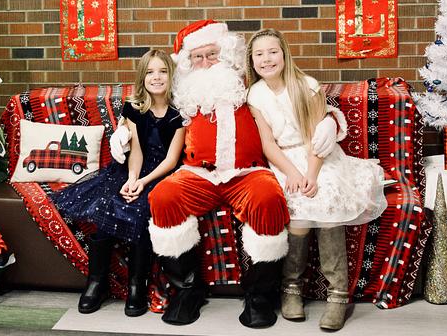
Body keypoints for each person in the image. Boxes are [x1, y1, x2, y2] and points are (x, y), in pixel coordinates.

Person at [110, 20, 342, 328]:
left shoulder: (247, 84)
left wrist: (330, 120)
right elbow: (148, 105)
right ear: (188, 62)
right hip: (197, 173)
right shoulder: (182, 91)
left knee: (268, 199)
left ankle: (259, 296)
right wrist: (122, 130)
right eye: (198, 57)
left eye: (213, 54)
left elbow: (292, 97)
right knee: (164, 197)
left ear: (227, 54)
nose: (206, 62)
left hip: (247, 172)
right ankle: (187, 291)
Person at [246, 29, 387, 331]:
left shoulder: (306, 85)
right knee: (296, 205)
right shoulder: (255, 95)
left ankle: (338, 295)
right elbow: (268, 144)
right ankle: (291, 288)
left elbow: (319, 137)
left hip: (318, 155)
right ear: (252, 60)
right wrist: (293, 173)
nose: (267, 59)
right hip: (284, 160)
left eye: (273, 51)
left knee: (323, 200)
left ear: (284, 54)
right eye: (259, 54)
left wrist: (310, 174)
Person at [51, 49, 185, 317]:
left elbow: (171, 160)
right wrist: (133, 179)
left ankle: (137, 285)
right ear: (142, 77)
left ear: (171, 76)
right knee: (107, 204)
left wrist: (144, 182)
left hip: (161, 173)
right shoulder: (134, 108)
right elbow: (136, 152)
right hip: (130, 168)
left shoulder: (178, 113)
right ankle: (97, 282)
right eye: (150, 72)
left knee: (142, 210)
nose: (156, 77)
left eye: (162, 71)